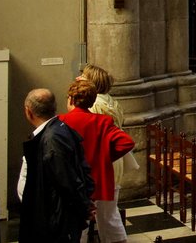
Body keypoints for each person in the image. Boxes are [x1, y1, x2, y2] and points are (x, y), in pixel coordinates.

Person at [61, 80, 134, 243]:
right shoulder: (102, 121)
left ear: (71, 99)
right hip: (100, 179)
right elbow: (127, 142)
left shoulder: (63, 121)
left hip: (76, 180)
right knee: (109, 220)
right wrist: (105, 157)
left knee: (79, 224)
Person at [17, 88, 94, 243]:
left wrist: (84, 206)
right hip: (53, 214)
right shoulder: (58, 130)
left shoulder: (52, 138)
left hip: (55, 219)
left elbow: (67, 180)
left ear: (28, 111)